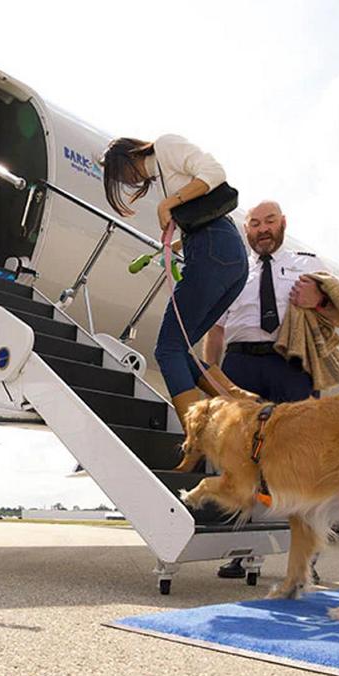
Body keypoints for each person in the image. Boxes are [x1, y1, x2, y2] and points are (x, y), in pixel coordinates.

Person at [203, 200, 339, 579]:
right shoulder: (232, 269)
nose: (262, 228)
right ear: (246, 230)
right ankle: (238, 551)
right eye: (254, 223)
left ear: (283, 223)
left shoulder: (308, 261)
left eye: (269, 221)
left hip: (292, 366)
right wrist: (213, 379)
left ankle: (305, 560)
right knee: (239, 460)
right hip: (239, 366)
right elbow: (215, 329)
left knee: (302, 462)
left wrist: (317, 301)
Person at [100, 135, 250, 452]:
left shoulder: (166, 146)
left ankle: (197, 439)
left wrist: (169, 203)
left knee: (167, 349)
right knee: (182, 350)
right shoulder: (162, 176)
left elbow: (214, 172)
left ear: (127, 157)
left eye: (119, 174)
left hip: (214, 249)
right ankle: (246, 410)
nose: (125, 182)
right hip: (226, 255)